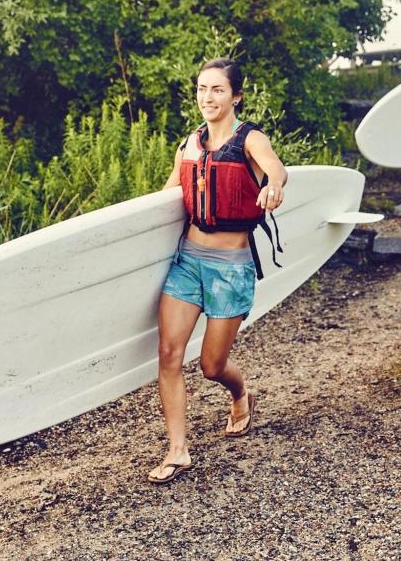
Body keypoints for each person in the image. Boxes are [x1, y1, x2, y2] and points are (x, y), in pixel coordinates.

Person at [147, 58, 288, 484]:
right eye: (202, 89)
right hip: (188, 261)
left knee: (211, 365)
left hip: (230, 267)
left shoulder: (251, 139)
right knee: (169, 354)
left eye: (217, 90)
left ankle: (240, 393)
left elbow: (275, 167)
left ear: (235, 96)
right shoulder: (188, 144)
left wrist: (274, 184)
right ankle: (177, 449)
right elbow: (168, 196)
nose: (207, 98)